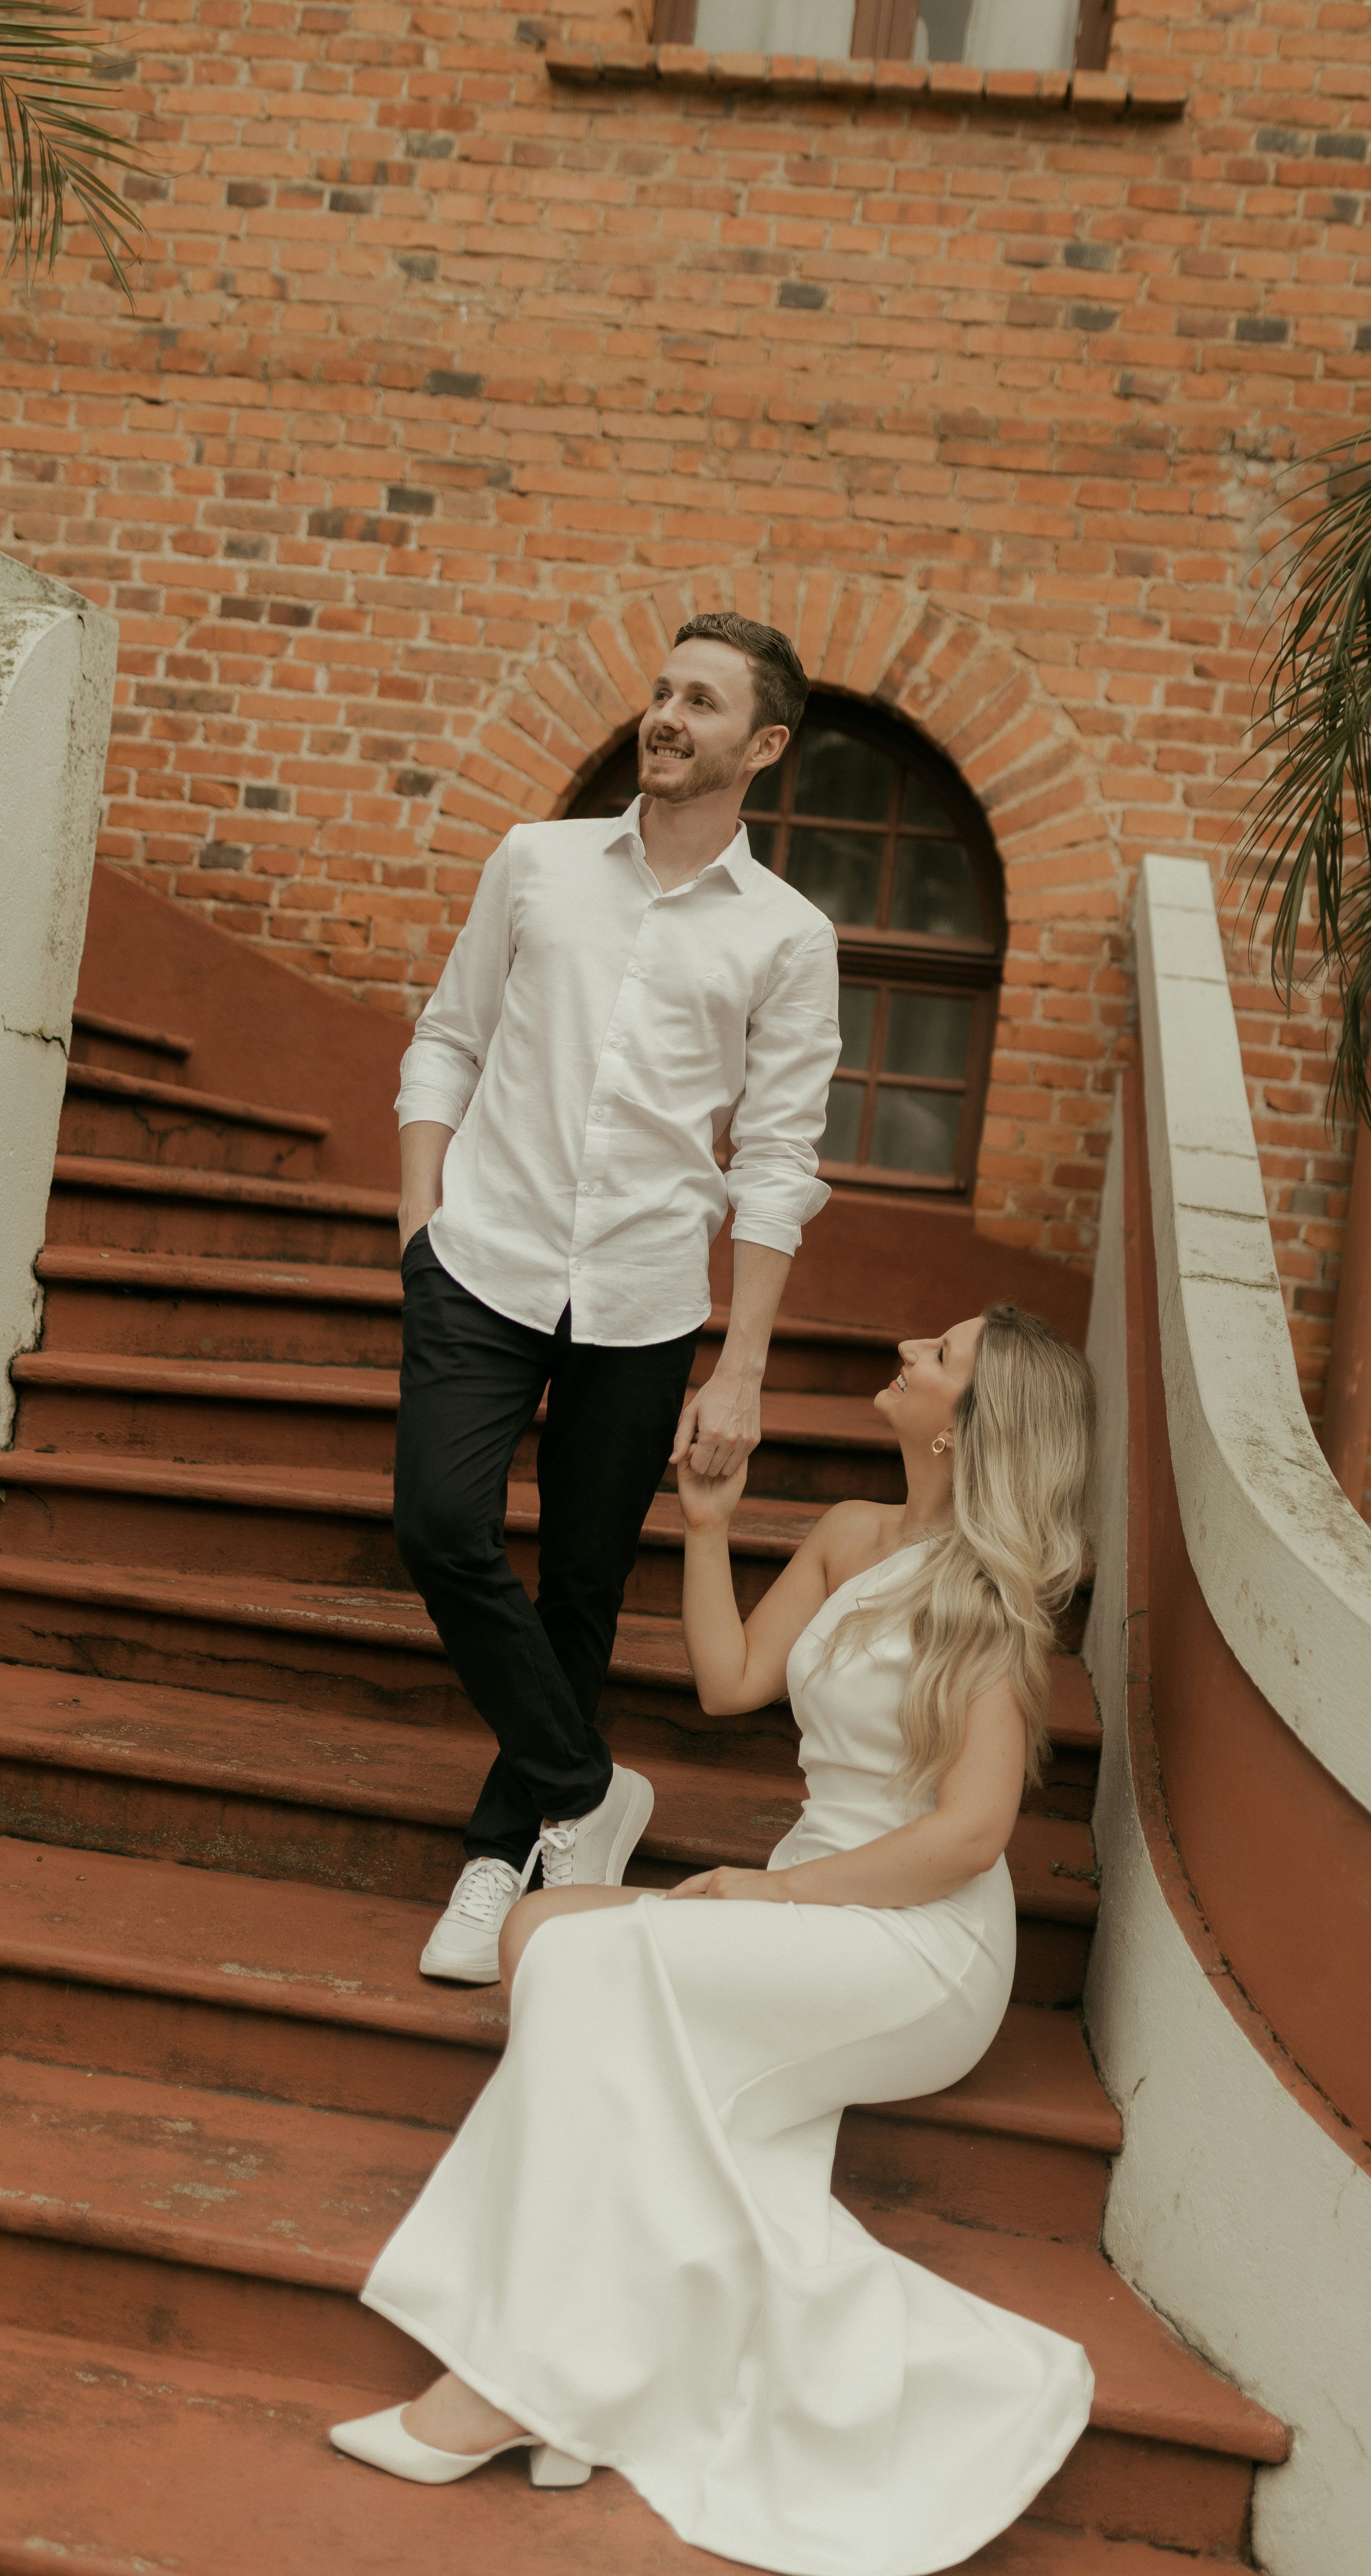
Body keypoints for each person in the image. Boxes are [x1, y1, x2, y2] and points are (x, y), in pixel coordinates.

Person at [332, 1302, 1099, 2576]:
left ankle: (510, 2382)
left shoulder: (990, 1598)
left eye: (941, 1355)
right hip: (805, 1893)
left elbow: (969, 1837)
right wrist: (708, 1527)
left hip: (914, 1944)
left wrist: (780, 1899)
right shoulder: (857, 1536)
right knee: (535, 1928)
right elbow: (731, 1680)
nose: (907, 1350)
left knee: (572, 1956)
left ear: (971, 1428)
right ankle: (570, 2380)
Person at [394, 611, 841, 1982]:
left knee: (584, 1585)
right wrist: (420, 1221)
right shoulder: (534, 863)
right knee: (442, 1522)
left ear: (761, 744)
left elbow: (776, 1161)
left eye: (701, 702)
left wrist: (745, 1364)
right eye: (662, 692)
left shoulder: (788, 936)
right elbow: (450, 1038)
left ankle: (505, 1848)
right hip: (484, 1258)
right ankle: (588, 1786)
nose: (666, 716)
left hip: (646, 1295)